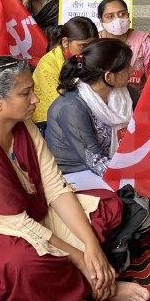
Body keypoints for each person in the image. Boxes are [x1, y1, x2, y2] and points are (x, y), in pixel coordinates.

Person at [0, 56, 150, 301]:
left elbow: (55, 187)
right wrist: (81, 257)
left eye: (32, 90)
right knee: (23, 262)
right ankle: (100, 288)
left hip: (34, 218)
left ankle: (65, 291)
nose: (35, 99)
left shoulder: (23, 125)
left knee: (107, 205)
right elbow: (17, 224)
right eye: (26, 93)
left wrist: (90, 246)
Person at [45, 39, 134, 192]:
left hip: (108, 164)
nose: (132, 71)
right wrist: (142, 177)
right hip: (74, 173)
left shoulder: (124, 93)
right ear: (109, 77)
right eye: (127, 68)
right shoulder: (72, 107)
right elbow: (95, 161)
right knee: (137, 189)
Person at [32, 17, 98, 133]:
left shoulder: (87, 57)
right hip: (47, 122)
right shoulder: (48, 65)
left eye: (92, 45)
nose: (88, 50)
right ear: (65, 42)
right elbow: (60, 104)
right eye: (82, 45)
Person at [98, 0, 150, 93]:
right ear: (101, 20)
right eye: (110, 16)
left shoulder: (144, 41)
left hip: (138, 100)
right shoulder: (95, 41)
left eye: (122, 14)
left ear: (129, 16)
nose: (117, 20)